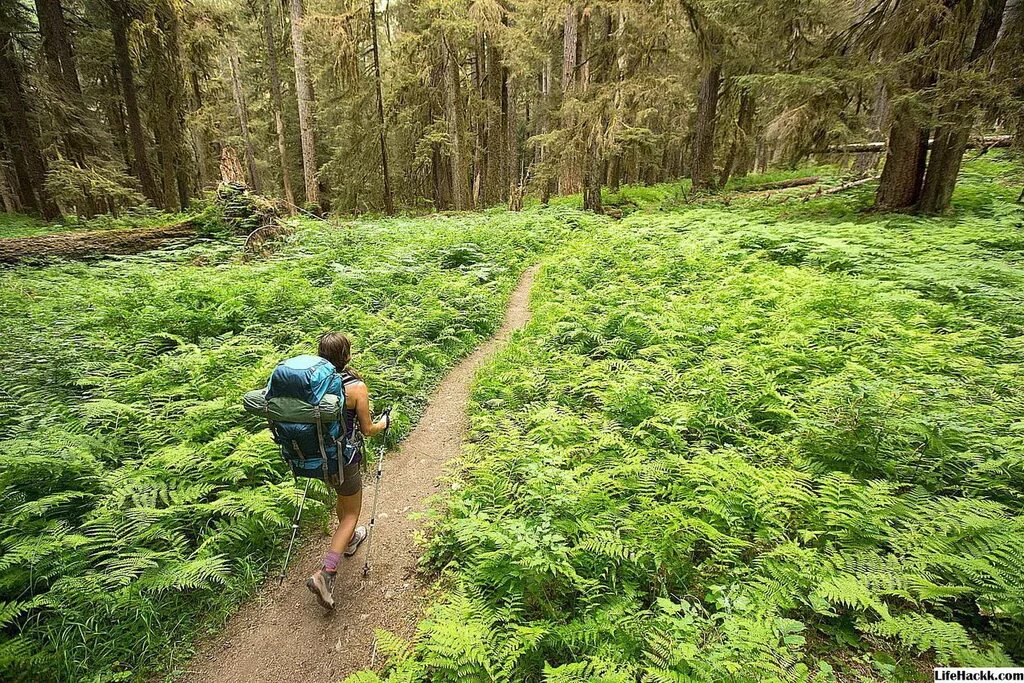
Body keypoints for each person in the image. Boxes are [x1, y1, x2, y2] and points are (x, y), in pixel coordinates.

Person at [306, 332, 390, 609]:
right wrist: (385, 423)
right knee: (352, 512)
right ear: (347, 356)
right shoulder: (356, 388)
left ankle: (350, 537)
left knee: (343, 501)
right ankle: (326, 572)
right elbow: (367, 430)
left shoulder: (311, 385)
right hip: (344, 459)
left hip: (314, 458)